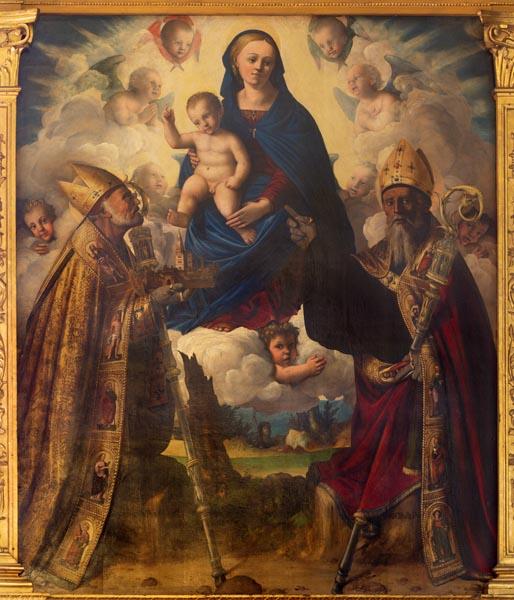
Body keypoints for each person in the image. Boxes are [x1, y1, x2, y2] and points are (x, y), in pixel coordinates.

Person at [290, 139, 496, 583]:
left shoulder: (444, 256)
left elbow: (466, 341)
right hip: (385, 385)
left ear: (425, 203)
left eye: (407, 201)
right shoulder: (378, 258)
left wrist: (432, 358)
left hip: (435, 389)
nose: (398, 211)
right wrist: (315, 251)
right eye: (390, 202)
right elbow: (347, 303)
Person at [18, 163, 187, 588]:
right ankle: (49, 551)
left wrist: (156, 293)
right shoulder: (88, 254)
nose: (133, 200)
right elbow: (95, 333)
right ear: (100, 209)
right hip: (81, 389)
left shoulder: (117, 247)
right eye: (123, 196)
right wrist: (151, 305)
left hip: (111, 386)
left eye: (130, 194)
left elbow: (123, 303)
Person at [165, 30, 354, 333]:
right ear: (235, 63)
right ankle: (215, 310)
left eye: (267, 62)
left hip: (278, 193)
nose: (258, 68)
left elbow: (297, 169)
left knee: (271, 226)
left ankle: (258, 313)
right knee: (204, 223)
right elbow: (203, 147)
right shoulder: (220, 110)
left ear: (275, 67)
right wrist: (195, 159)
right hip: (229, 186)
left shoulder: (292, 115)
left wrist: (264, 204)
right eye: (252, 59)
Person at [162, 92, 254, 244]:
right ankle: (184, 216)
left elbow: (244, 162)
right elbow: (175, 142)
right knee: (189, 188)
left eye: (206, 116)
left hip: (223, 182)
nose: (203, 124)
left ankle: (241, 230)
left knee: (227, 209)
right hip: (203, 180)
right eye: (197, 122)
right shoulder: (196, 137)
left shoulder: (231, 139)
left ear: (220, 111)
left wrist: (237, 178)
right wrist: (169, 123)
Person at [258, 321, 326, 385]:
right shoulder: (272, 367)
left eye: (291, 345)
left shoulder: (295, 363)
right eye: (279, 346)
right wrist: (308, 368)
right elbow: (285, 375)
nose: (287, 351)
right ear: (267, 350)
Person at [347, 64, 400, 134]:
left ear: (371, 80)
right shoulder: (360, 108)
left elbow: (385, 128)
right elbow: (359, 133)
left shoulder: (387, 99)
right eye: (348, 82)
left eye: (356, 78)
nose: (352, 83)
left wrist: (366, 120)